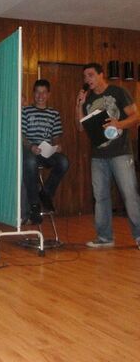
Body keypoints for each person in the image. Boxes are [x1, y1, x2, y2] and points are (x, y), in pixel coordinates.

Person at [76, 62, 140, 249]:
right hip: (98, 155)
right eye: (85, 77)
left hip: (120, 152)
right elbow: (79, 127)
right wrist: (79, 105)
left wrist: (118, 124)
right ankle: (105, 238)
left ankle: (139, 235)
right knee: (101, 196)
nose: (87, 79)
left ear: (101, 74)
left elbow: (136, 116)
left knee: (130, 194)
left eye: (90, 75)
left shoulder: (118, 92)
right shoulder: (88, 99)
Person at [22, 79, 69, 224]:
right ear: (33, 93)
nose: (40, 96)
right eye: (37, 92)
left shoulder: (54, 113)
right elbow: (21, 135)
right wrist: (31, 146)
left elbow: (56, 136)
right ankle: (34, 205)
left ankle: (46, 193)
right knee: (30, 162)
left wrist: (57, 146)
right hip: (30, 149)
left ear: (48, 94)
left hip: (46, 150)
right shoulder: (26, 111)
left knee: (63, 161)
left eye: (43, 92)